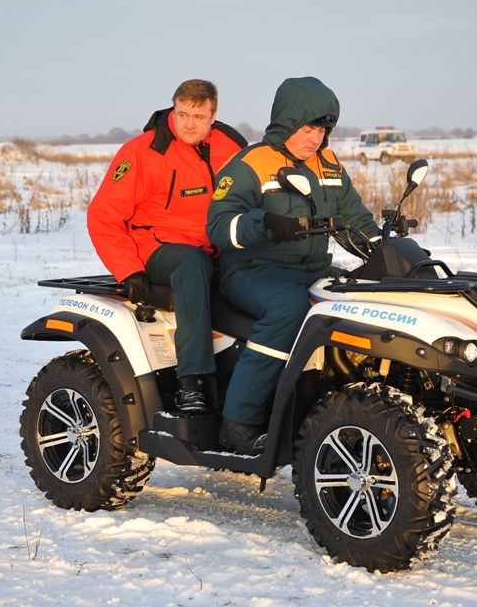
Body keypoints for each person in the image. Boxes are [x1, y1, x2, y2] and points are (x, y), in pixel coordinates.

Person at [206, 76, 380, 454]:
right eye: (307, 127)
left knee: (367, 304)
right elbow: (219, 226)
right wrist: (264, 224)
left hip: (314, 269)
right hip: (252, 270)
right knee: (290, 310)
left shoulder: (329, 165)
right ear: (286, 122)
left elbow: (356, 218)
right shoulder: (251, 163)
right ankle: (239, 422)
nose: (315, 138)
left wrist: (388, 251)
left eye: (322, 128)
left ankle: (342, 410)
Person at [87, 79, 247, 413]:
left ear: (213, 116)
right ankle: (192, 381)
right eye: (182, 113)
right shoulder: (143, 151)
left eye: (198, 116)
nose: (189, 123)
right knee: (192, 263)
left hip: (217, 245)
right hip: (157, 247)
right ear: (173, 109)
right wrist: (128, 268)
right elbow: (103, 216)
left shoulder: (231, 146)